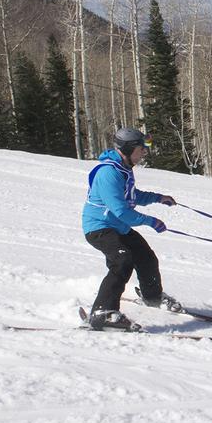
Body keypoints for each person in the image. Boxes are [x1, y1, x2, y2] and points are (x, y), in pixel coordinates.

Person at [82, 127, 180, 331]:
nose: (144, 152)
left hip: (117, 227)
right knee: (122, 260)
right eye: (141, 148)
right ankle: (103, 312)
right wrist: (151, 221)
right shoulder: (108, 173)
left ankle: (152, 297)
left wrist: (158, 198)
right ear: (127, 149)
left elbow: (131, 196)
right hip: (100, 228)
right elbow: (122, 211)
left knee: (146, 257)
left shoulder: (122, 168)